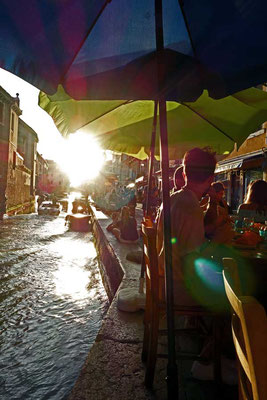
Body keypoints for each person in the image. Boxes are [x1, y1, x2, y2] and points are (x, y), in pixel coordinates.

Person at [157, 147, 217, 306]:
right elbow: (192, 260)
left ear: (184, 174)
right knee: (230, 292)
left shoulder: (172, 198)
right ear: (210, 179)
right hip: (175, 288)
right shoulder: (191, 208)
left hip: (162, 279)